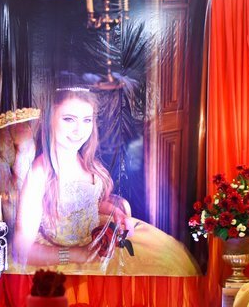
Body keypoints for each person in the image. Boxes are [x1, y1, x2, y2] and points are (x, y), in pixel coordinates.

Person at [12, 87, 199, 276]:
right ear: (49, 120)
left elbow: (85, 206)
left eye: (87, 120)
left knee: (165, 261)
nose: (79, 130)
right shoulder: (39, 173)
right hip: (65, 260)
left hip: (95, 245)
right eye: (69, 119)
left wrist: (115, 213)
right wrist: (77, 254)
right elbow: (21, 251)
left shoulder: (85, 160)